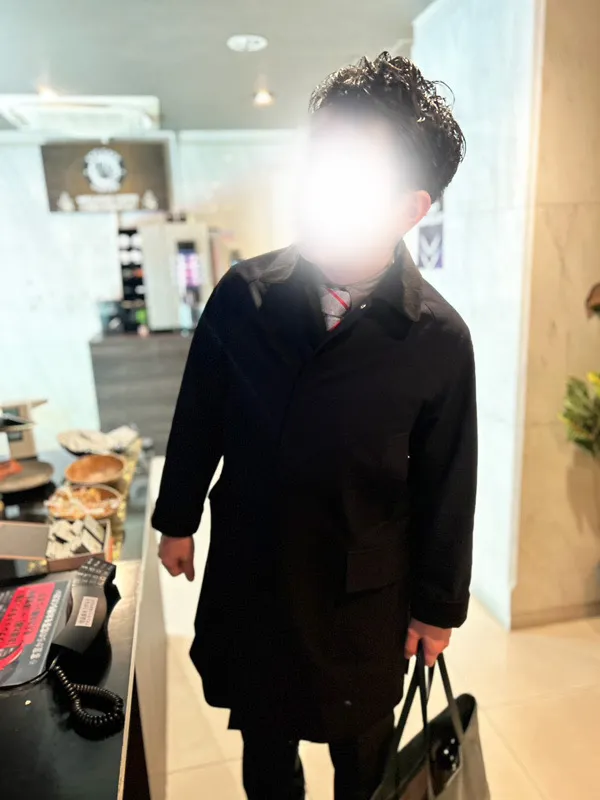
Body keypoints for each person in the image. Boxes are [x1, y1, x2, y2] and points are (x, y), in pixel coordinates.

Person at [153, 52, 476, 800]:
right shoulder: (244, 295)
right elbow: (200, 413)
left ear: (410, 208)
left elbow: (449, 483)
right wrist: (176, 519)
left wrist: (437, 609)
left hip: (361, 598)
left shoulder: (437, 338)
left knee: (361, 759)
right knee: (265, 746)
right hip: (256, 574)